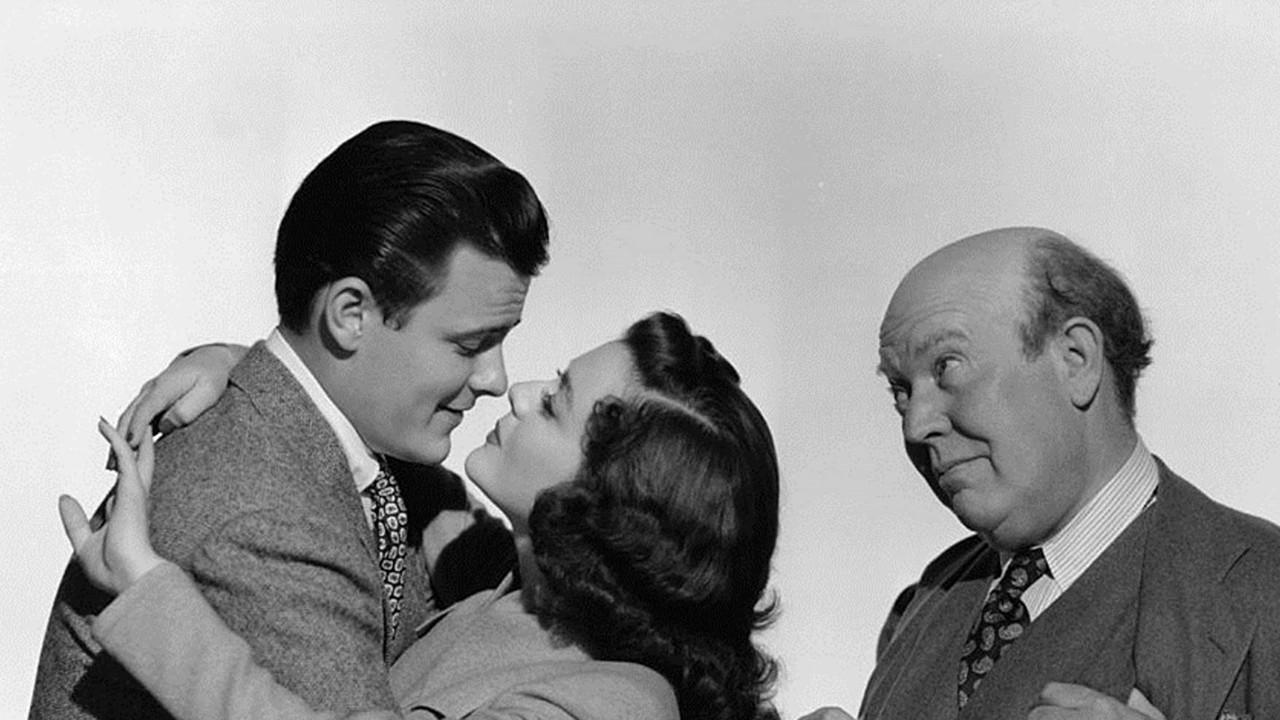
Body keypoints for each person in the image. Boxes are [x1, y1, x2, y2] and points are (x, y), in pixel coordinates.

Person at [31, 120, 550, 719]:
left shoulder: (363, 461)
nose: (496, 379)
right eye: (470, 345)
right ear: (350, 314)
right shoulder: (265, 520)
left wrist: (236, 360)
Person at [60, 312, 782, 720]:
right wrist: (232, 363)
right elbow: (335, 408)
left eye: (555, 402)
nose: (517, 391)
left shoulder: (616, 706)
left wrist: (146, 586)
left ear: (609, 506)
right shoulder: (500, 573)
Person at [845, 227, 1280, 720]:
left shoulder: (1263, 589)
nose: (915, 424)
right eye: (901, 390)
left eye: (947, 366)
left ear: (1076, 360)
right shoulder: (924, 604)